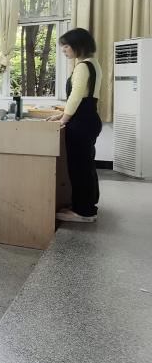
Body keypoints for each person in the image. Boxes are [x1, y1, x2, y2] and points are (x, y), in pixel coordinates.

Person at [48, 28, 102, 222]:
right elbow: (85, 97)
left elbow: (76, 96)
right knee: (86, 166)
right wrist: (62, 115)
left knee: (79, 168)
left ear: (78, 45)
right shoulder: (93, 63)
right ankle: (86, 205)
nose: (63, 50)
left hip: (81, 124)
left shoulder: (82, 67)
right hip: (89, 119)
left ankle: (84, 212)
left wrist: (64, 119)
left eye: (66, 46)